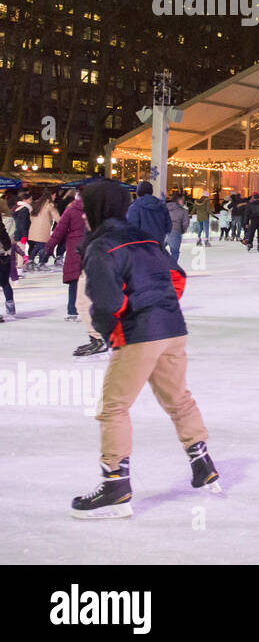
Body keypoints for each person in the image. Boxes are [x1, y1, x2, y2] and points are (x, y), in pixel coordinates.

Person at [72, 181, 218, 519]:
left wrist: (114, 330)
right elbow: (177, 278)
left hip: (138, 333)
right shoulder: (147, 239)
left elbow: (107, 303)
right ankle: (201, 462)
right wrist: (162, 309)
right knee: (178, 398)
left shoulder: (101, 246)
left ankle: (115, 484)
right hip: (173, 328)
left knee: (113, 408)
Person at [47, 189, 88, 323]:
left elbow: (60, 230)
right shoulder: (95, 210)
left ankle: (72, 311)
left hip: (75, 247)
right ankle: (92, 311)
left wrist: (49, 247)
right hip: (92, 245)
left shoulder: (71, 210)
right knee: (91, 279)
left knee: (75, 280)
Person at [28, 191, 58, 268]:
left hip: (34, 229)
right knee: (44, 247)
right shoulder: (49, 205)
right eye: (54, 196)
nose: (55, 197)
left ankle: (30, 261)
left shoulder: (37, 204)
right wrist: (64, 223)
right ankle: (41, 263)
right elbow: (56, 217)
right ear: (51, 196)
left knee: (38, 246)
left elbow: (31, 217)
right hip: (42, 230)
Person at [164, 192, 189, 263]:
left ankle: (158, 269)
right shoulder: (183, 211)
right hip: (175, 232)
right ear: (179, 200)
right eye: (182, 200)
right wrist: (181, 231)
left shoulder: (164, 208)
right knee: (175, 253)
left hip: (163, 232)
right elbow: (185, 223)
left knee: (159, 251)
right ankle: (171, 270)